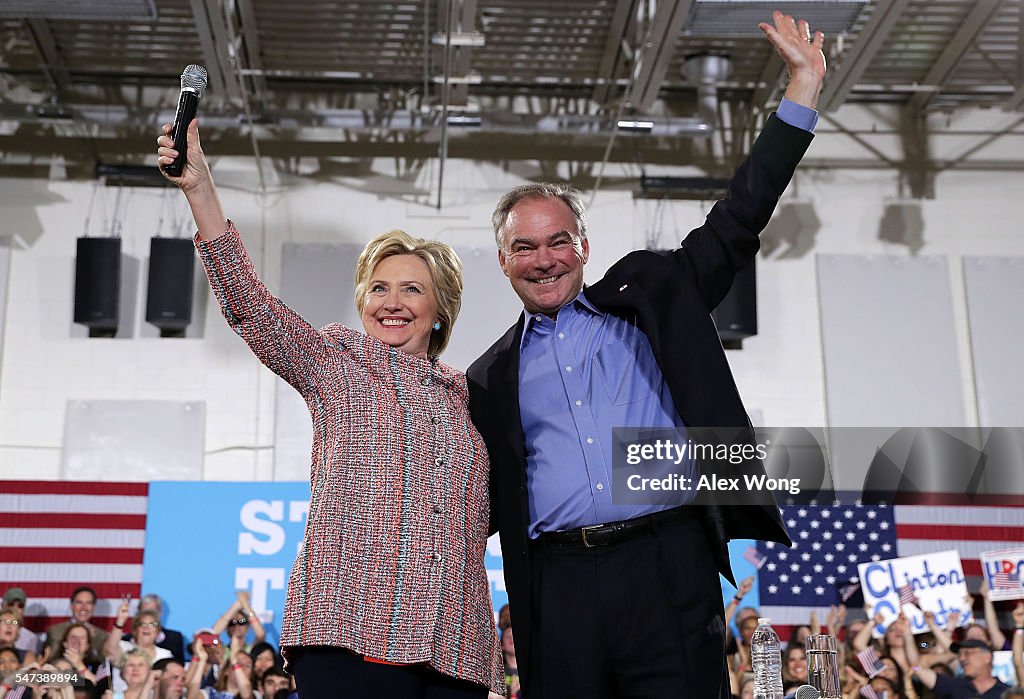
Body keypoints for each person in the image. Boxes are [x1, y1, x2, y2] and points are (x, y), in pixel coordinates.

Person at [465, 10, 825, 698]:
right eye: (525, 247)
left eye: (558, 240)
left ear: (584, 244)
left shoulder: (652, 295)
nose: (545, 259)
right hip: (559, 586)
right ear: (503, 260)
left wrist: (802, 91)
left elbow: (738, 219)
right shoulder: (488, 377)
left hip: (669, 565)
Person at [157, 117, 502, 699]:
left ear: (442, 309)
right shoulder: (337, 360)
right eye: (378, 288)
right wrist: (200, 191)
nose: (391, 303)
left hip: (453, 643)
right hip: (350, 634)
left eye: (412, 289)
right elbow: (252, 306)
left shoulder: (471, 395)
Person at [907, 634, 1009, 699]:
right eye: (960, 655)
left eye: (968, 653)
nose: (962, 658)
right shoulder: (955, 686)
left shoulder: (1007, 692)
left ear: (987, 657)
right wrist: (914, 669)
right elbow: (916, 667)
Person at [44, 586, 108, 658]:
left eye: (88, 603)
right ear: (71, 606)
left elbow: (104, 663)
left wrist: (92, 640)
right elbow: (48, 659)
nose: (84, 607)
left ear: (94, 607)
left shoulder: (102, 635)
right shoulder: (55, 632)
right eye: (79, 602)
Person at [140, 594, 187, 664]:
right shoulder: (127, 639)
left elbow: (179, 666)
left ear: (160, 613)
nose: (148, 616)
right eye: (145, 612)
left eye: (152, 612)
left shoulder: (174, 638)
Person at [3, 587, 41, 658]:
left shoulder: (32, 639)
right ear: (2, 605)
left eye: (20, 605)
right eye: (11, 604)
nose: (15, 608)